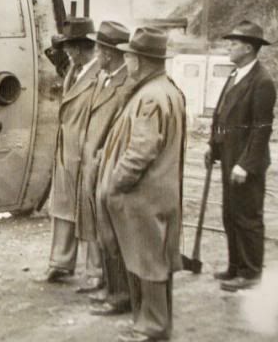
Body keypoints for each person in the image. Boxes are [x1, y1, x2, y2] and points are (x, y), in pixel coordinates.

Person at [97, 26, 185, 342]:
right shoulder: (166, 89)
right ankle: (150, 322)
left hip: (144, 195)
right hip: (157, 192)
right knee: (152, 261)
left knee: (148, 264)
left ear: (141, 60)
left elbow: (141, 150)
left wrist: (115, 183)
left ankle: (153, 327)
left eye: (130, 56)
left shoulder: (150, 96)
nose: (127, 61)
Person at [205, 20, 276, 292]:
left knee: (248, 217)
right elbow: (223, 115)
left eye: (233, 44)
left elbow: (262, 129)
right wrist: (213, 145)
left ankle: (251, 272)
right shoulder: (236, 74)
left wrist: (245, 164)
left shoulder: (262, 81)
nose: (229, 47)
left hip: (246, 163)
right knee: (231, 214)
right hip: (229, 156)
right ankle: (235, 266)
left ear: (248, 48)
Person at [74, 21, 132, 314]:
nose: (95, 53)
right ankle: (109, 285)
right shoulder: (104, 78)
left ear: (109, 53)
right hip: (92, 161)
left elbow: (121, 129)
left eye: (98, 48)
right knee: (101, 228)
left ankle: (120, 293)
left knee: (114, 232)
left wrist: (102, 157)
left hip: (107, 162)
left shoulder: (127, 84)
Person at [42, 18, 102, 287]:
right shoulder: (73, 69)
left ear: (78, 48)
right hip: (67, 148)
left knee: (91, 210)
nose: (65, 51)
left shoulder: (100, 75)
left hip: (88, 149)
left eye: (68, 46)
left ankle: (96, 271)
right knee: (63, 206)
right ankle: (61, 263)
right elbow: (54, 54)